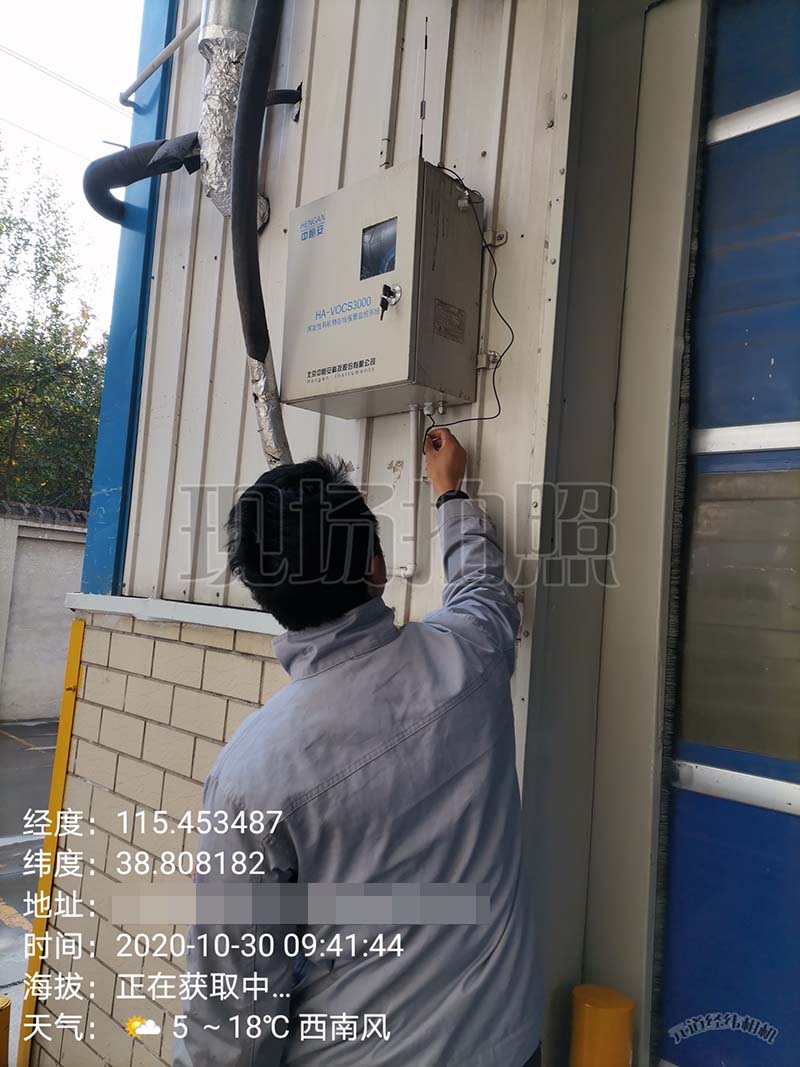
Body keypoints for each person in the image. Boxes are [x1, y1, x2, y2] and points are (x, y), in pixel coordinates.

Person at [173, 428, 542, 1067]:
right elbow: (482, 586)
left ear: (266, 597)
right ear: (375, 567)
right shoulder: (469, 656)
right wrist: (449, 493)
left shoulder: (252, 775)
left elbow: (230, 1011)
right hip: (508, 1043)